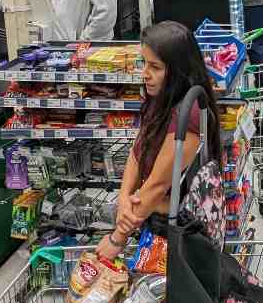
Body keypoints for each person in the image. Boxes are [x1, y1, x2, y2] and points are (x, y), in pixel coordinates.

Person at [96, 21, 225, 259]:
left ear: (177, 70)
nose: (145, 74)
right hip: (152, 219)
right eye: (143, 63)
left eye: (155, 67)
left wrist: (117, 239)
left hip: (179, 233)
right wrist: (124, 199)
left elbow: (157, 186)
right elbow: (138, 149)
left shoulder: (190, 116)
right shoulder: (162, 97)